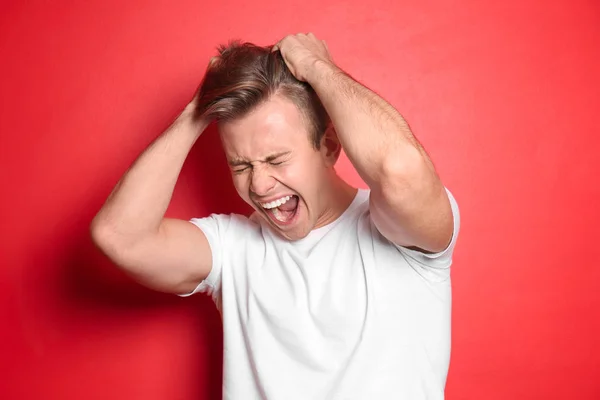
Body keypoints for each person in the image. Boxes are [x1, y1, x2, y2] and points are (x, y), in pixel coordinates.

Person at [91, 33, 460, 400]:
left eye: (276, 160)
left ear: (329, 146)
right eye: (241, 166)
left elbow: (400, 171)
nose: (260, 184)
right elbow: (120, 236)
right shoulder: (232, 249)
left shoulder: (401, 235)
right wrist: (198, 109)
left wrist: (319, 69)